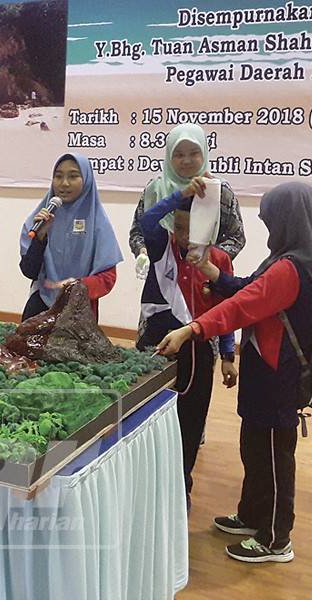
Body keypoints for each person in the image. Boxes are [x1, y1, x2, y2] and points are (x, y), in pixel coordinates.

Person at [158, 181, 312, 564]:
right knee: (255, 446)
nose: (269, 227)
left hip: (280, 375)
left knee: (275, 456)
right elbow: (245, 286)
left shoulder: (292, 268)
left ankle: (276, 538)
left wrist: (191, 329)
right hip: (263, 370)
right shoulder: (281, 259)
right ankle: (252, 515)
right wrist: (211, 269)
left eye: (272, 219)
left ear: (289, 220)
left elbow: (243, 305)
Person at [136, 173, 238, 511]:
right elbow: (146, 218)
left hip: (198, 353)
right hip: (155, 347)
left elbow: (227, 311)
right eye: (180, 227)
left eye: (193, 229)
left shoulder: (218, 261)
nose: (185, 236)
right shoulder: (161, 245)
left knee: (190, 423)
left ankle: (182, 485)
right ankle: (147, 481)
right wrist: (178, 196)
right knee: (148, 419)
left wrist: (227, 353)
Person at [129, 123, 245, 279]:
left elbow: (236, 237)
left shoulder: (219, 190)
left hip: (207, 281)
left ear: (204, 153)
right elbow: (138, 231)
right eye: (179, 155)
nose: (186, 160)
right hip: (164, 280)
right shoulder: (155, 188)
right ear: (169, 155)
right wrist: (142, 251)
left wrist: (207, 258)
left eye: (194, 153)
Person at [19, 152, 122, 321]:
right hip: (41, 304)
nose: (64, 183)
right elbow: (29, 271)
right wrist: (40, 238)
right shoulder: (40, 218)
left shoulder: (98, 224)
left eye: (73, 176)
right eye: (58, 176)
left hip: (80, 310)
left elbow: (107, 278)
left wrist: (76, 287)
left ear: (87, 180)